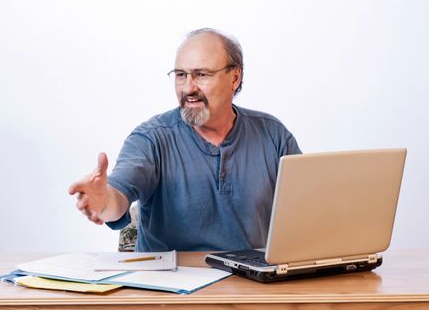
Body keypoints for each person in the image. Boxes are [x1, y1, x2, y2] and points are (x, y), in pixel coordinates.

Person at [69, 28, 301, 252]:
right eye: (181, 75)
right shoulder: (151, 138)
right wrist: (103, 200)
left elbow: (306, 210)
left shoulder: (273, 135)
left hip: (249, 285)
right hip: (169, 286)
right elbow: (118, 198)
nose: (188, 88)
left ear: (235, 77)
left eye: (201, 74)